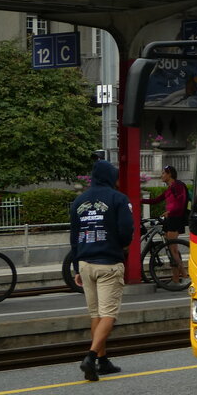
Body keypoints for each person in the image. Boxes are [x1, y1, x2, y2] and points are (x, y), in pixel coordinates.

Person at [69, 159, 134, 382]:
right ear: (110, 177)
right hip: (108, 263)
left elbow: (74, 237)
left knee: (96, 314)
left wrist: (76, 267)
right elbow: (126, 230)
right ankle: (90, 357)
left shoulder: (79, 201)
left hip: (85, 263)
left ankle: (102, 361)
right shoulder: (118, 199)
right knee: (109, 315)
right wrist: (122, 245)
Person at [141, 165, 189, 282]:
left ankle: (184, 275)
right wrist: (139, 200)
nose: (161, 175)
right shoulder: (169, 188)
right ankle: (176, 277)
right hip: (169, 219)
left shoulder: (178, 185)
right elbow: (156, 200)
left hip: (175, 219)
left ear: (169, 174)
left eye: (163, 173)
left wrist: (170, 212)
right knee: (171, 248)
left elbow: (181, 202)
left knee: (173, 249)